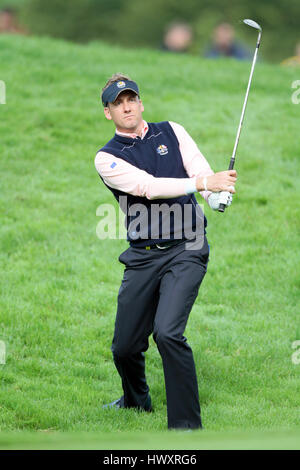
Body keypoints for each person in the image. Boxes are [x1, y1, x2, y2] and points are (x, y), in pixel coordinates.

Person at [94, 73, 237, 430]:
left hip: (188, 246)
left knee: (168, 333)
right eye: (117, 103)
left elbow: (198, 167)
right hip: (143, 255)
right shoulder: (107, 158)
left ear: (141, 103)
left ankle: (186, 427)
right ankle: (135, 402)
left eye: (131, 99)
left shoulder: (172, 130)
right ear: (108, 113)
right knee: (125, 347)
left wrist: (214, 194)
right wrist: (205, 183)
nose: (126, 106)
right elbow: (148, 188)